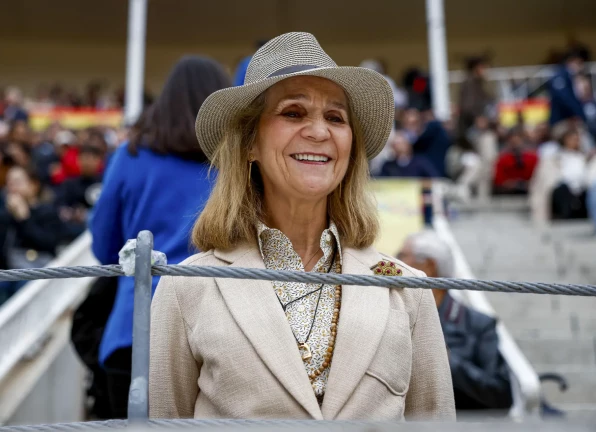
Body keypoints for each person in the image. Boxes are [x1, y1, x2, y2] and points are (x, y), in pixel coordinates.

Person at [150, 32, 455, 421]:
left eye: (335, 117)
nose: (319, 131)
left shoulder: (408, 291)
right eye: (293, 113)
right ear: (250, 143)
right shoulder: (185, 289)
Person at [89, 55, 231, 418]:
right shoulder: (235, 162)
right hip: (217, 329)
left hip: (133, 329)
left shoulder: (130, 156)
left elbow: (105, 246)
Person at [397, 231, 513, 413]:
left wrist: (446, 359)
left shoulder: (479, 325)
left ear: (428, 266)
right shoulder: (395, 314)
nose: (394, 262)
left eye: (402, 256)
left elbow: (501, 394)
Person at [0, 166, 66, 303]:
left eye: (17, 182)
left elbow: (48, 244)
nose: (12, 188)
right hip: (8, 272)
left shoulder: (47, 211)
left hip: (36, 269)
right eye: (9, 184)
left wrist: (24, 218)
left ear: (33, 185)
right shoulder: (5, 216)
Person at [530, 127, 588, 223]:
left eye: (577, 139)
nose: (575, 142)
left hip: (581, 190)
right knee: (563, 189)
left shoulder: (583, 157)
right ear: (565, 140)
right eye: (572, 139)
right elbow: (545, 180)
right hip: (561, 190)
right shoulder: (554, 158)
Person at [493, 127, 538, 195]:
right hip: (507, 193)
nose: (516, 143)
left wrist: (528, 184)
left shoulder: (533, 158)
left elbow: (538, 177)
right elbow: (498, 180)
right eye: (513, 141)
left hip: (530, 192)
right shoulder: (502, 159)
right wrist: (510, 184)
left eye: (518, 140)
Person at [548, 49, 586, 126]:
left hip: (569, 118)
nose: (581, 66)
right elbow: (565, 98)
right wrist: (579, 113)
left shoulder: (570, 77)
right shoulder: (560, 76)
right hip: (561, 120)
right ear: (571, 61)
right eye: (579, 63)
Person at [458, 56, 494, 136]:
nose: (484, 70)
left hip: (481, 121)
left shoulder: (481, 82)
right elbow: (467, 105)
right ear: (476, 68)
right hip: (473, 125)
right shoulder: (469, 83)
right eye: (482, 67)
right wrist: (477, 118)